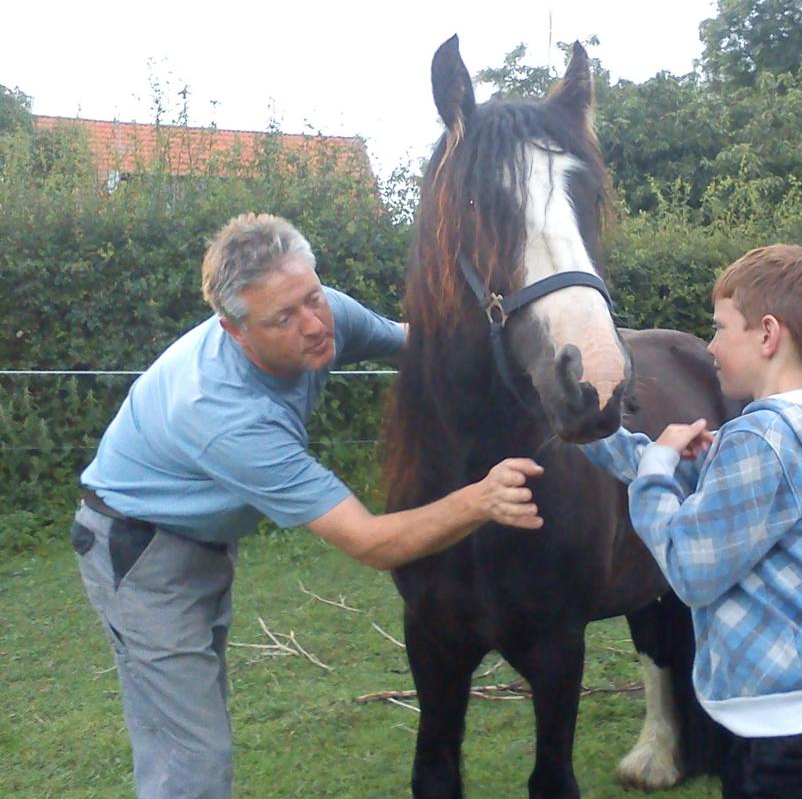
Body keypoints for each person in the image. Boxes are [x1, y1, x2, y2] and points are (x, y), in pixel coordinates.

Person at [70, 212, 544, 799]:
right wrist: (479, 498)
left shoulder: (323, 312)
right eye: (284, 318)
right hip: (140, 551)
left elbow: (413, 343)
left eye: (313, 297)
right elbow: (369, 541)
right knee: (188, 755)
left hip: (198, 539)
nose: (316, 325)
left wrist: (525, 344)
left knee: (194, 720)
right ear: (235, 330)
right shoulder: (225, 415)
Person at [581, 243, 802, 799]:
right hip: (765, 723)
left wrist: (656, 469)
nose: (712, 346)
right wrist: (595, 432)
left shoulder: (760, 442)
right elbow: (676, 479)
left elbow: (691, 571)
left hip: (800, 732)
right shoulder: (783, 431)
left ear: (768, 335)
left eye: (721, 328)